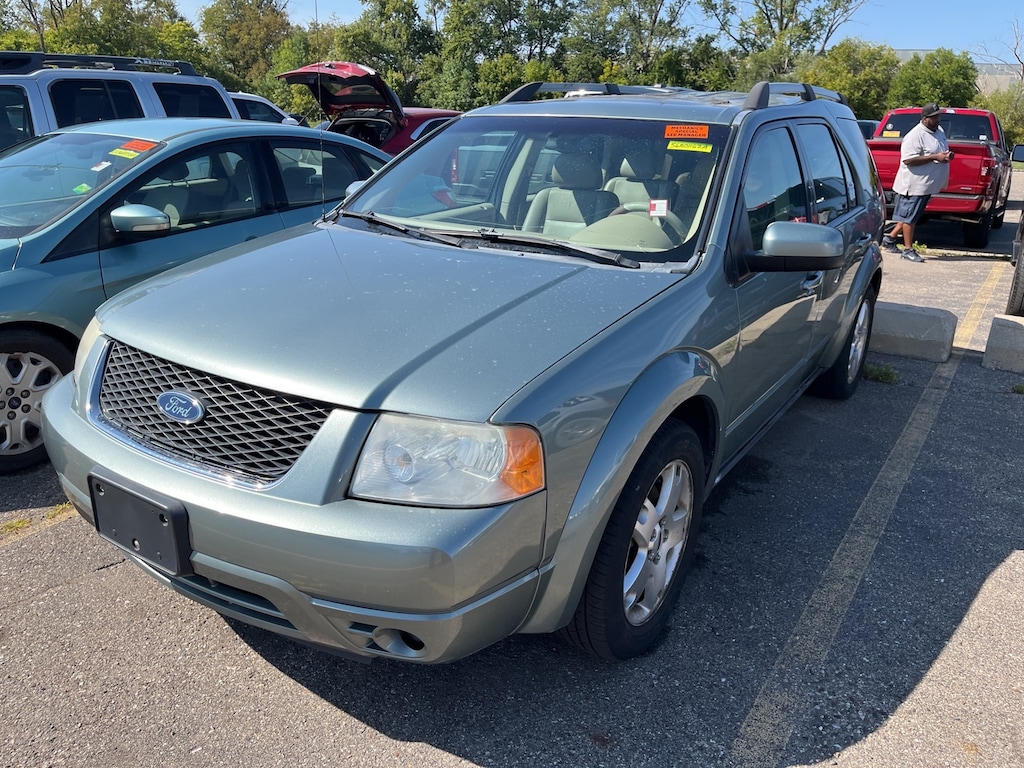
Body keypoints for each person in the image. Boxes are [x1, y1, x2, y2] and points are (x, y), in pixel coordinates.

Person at [881, 102, 953, 262]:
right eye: (934, 117)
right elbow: (908, 160)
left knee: (911, 215)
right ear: (925, 118)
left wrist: (945, 156)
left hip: (926, 185)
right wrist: (935, 157)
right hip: (913, 185)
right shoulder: (915, 135)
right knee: (909, 218)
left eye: (939, 116)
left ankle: (890, 239)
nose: (938, 120)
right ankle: (907, 250)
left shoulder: (938, 131)